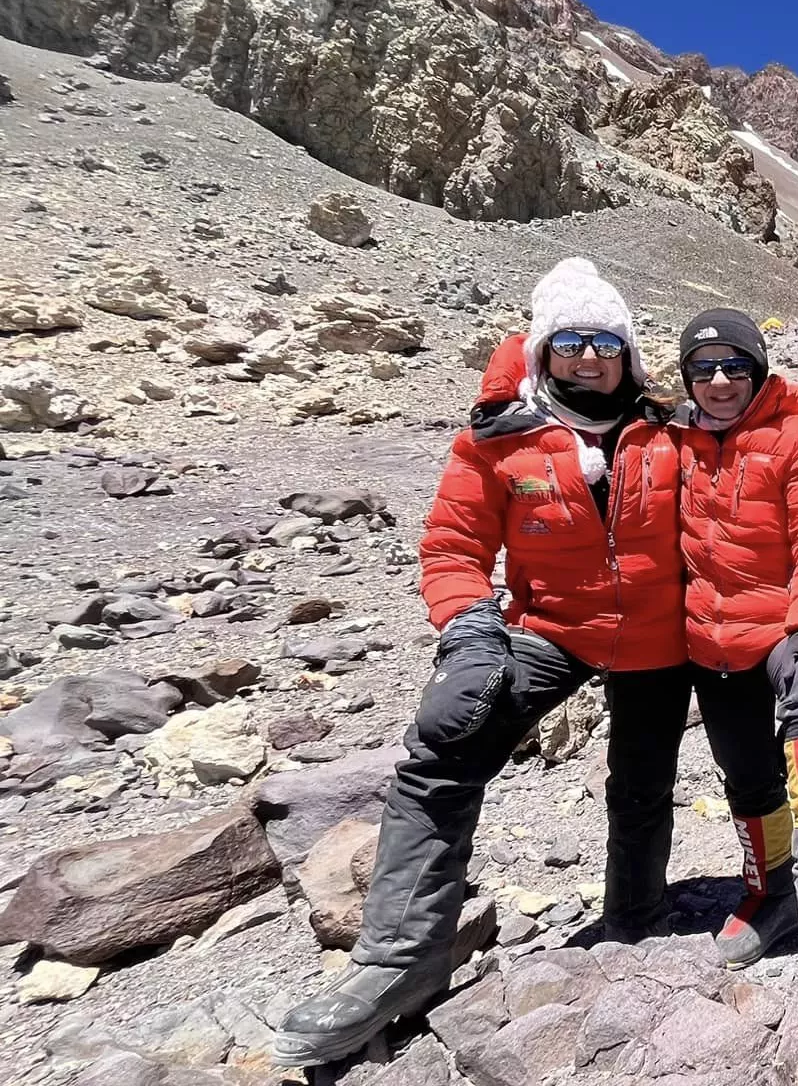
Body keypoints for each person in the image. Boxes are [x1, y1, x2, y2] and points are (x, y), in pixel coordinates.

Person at [273, 259, 688, 1067]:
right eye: (570, 341)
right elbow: (454, 547)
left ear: (629, 355)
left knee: (643, 783)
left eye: (606, 342)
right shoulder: (498, 439)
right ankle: (399, 961)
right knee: (442, 751)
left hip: (657, 637)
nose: (589, 357)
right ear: (543, 350)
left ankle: (634, 920)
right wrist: (469, 628)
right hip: (552, 627)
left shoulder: (668, 431)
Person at [671, 307, 798, 967]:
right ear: (687, 377)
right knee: (747, 775)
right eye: (703, 367)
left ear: (757, 371)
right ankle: (772, 892)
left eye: (735, 365)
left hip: (787, 620)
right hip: (712, 638)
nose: (719, 380)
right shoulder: (676, 440)